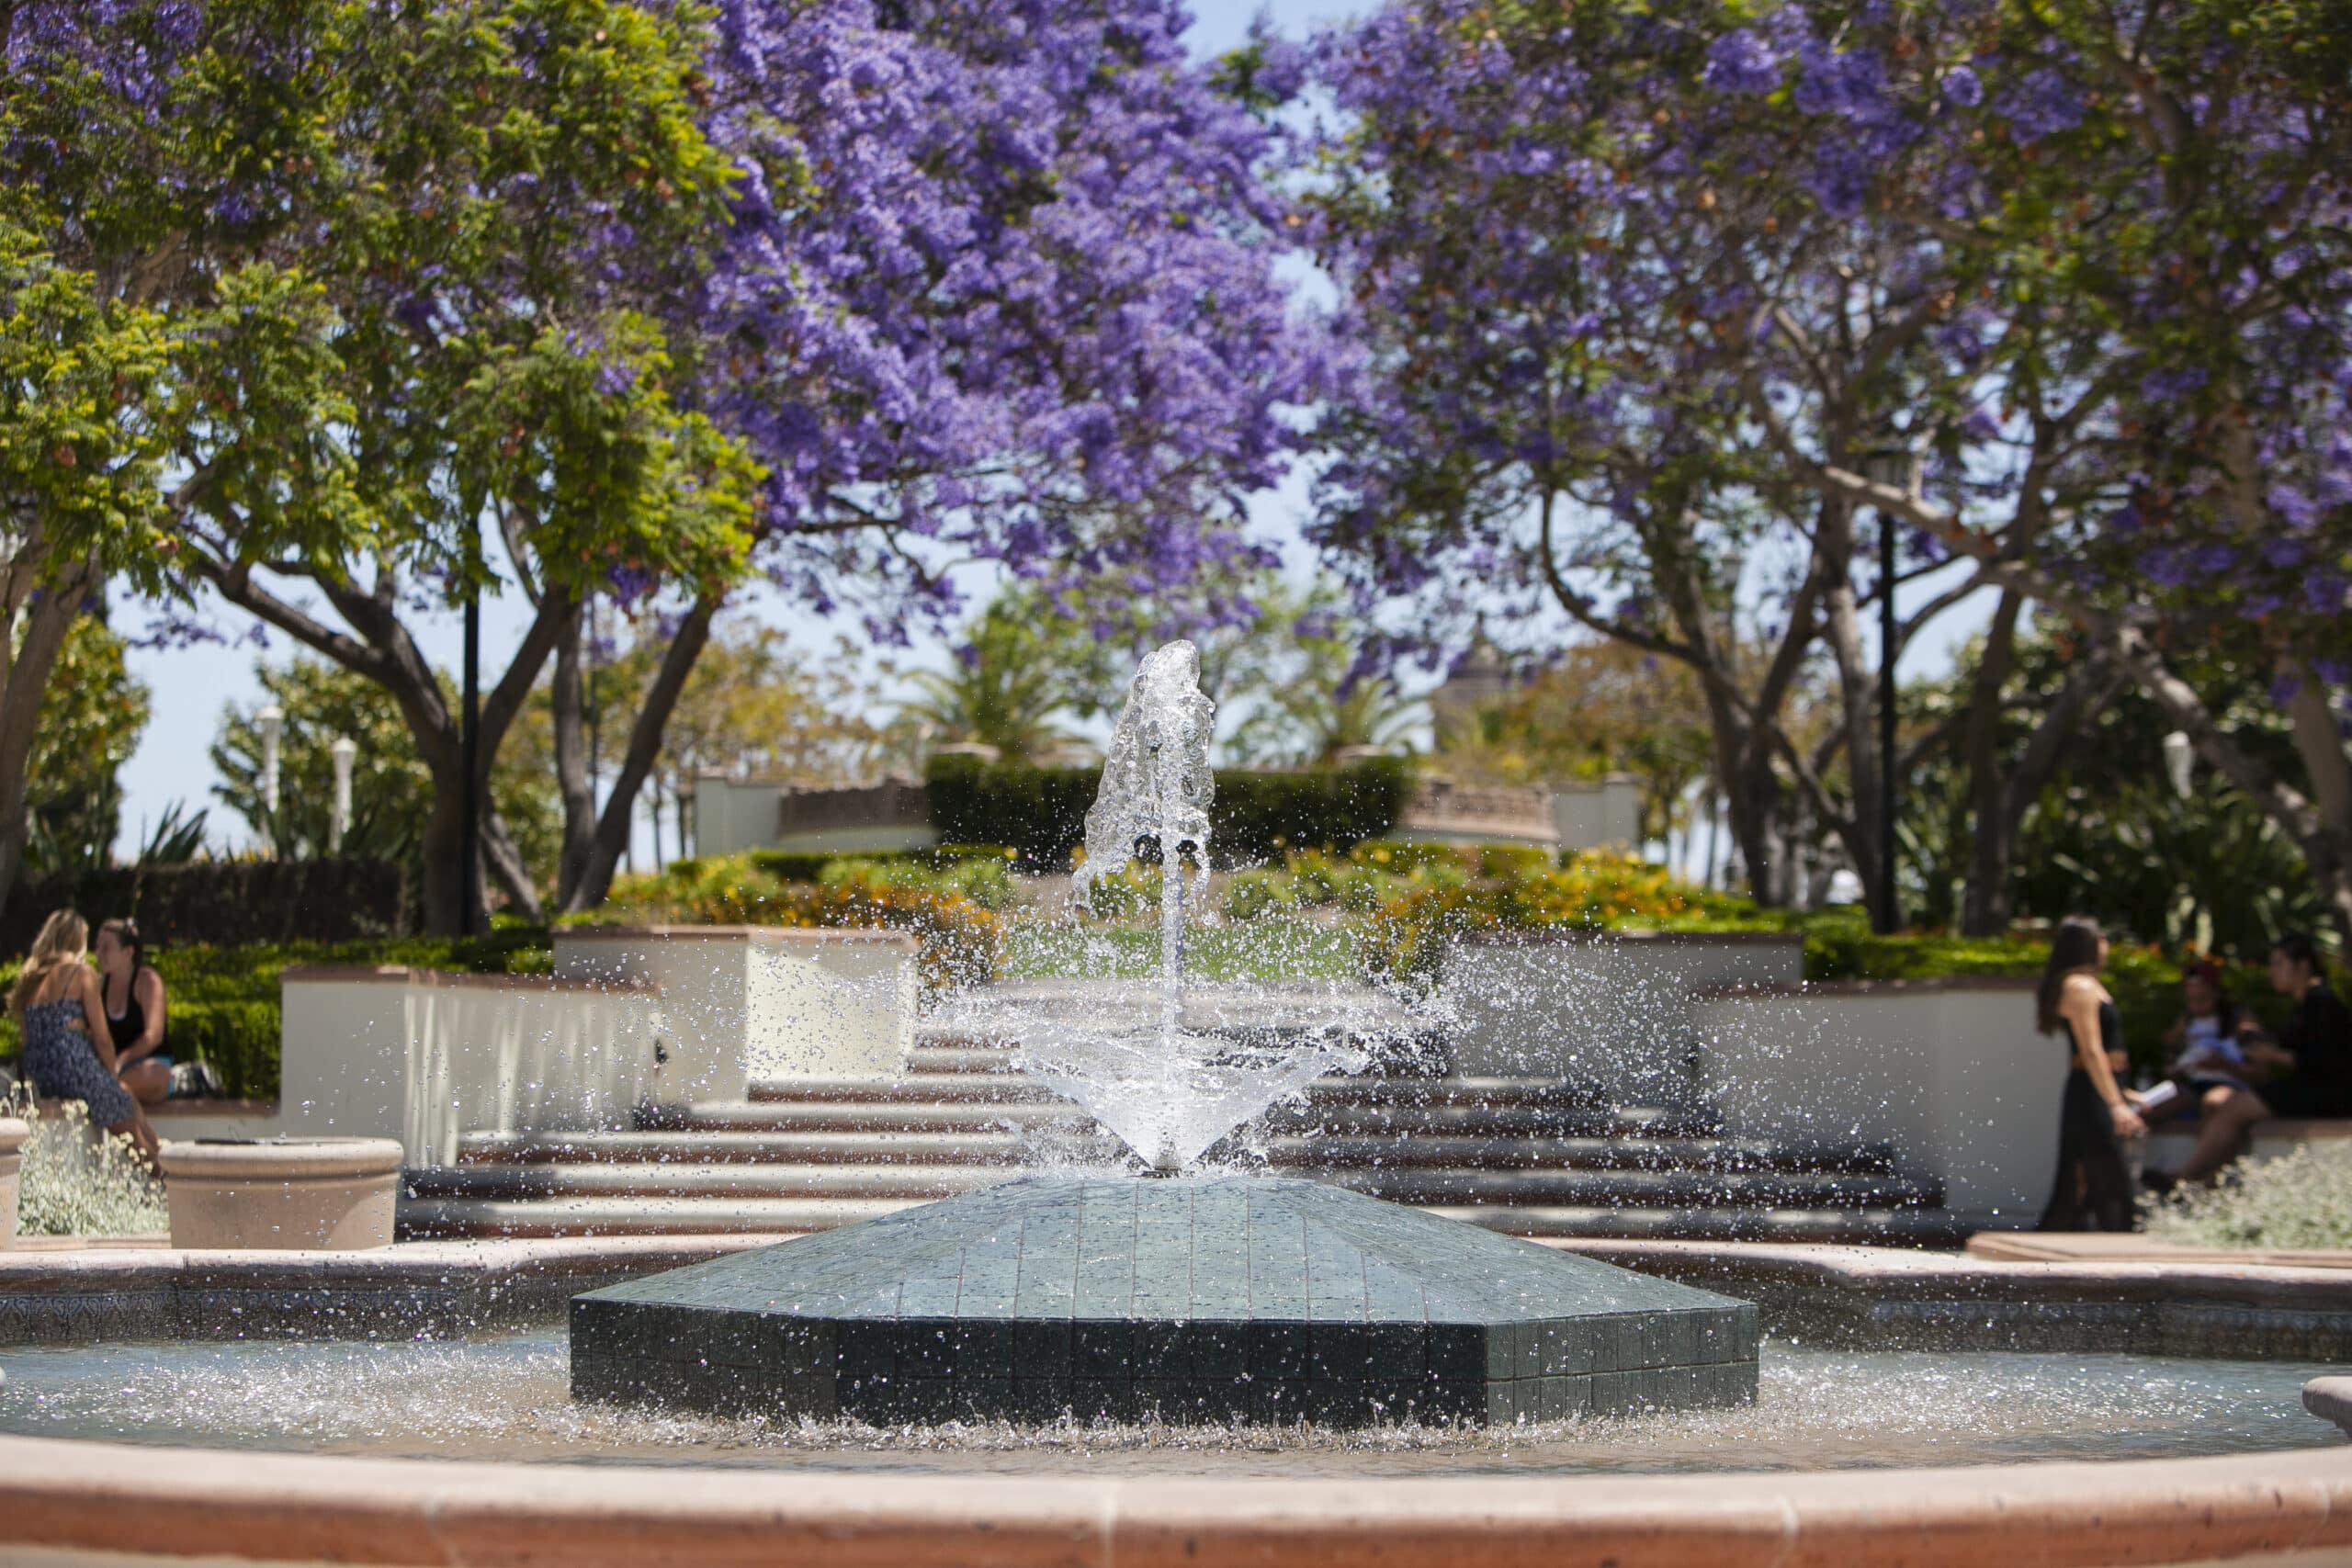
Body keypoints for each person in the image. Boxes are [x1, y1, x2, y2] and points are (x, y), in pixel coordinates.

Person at [2168, 932, 2352, 1185]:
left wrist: (2271, 1055)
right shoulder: (2305, 1003)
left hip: (2326, 1093)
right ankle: (2206, 1183)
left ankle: (2187, 1177)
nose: (2271, 971)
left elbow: (2325, 1060)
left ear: (2303, 965)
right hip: (2308, 1087)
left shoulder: (2321, 1002)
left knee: (2234, 1106)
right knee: (2221, 1105)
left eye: (2278, 964)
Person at [7, 910, 159, 1163]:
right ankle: (168, 1178)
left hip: (40, 1073)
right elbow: (102, 1038)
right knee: (134, 1134)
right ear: (77, 939)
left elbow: (27, 1040)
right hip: (73, 1070)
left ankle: (166, 1160)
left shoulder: (30, 977)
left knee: (126, 1098)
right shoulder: (81, 972)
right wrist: (111, 1075)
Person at [2036, 916, 2143, 1231]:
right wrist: (2115, 1104)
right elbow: (2092, 1050)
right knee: (2101, 1172)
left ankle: (2110, 1238)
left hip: (2100, 1088)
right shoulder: (2078, 986)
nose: (2107, 947)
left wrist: (2123, 1092)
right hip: (2089, 1094)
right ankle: (2116, 1240)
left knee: (2092, 1173)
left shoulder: (2090, 983)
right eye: (2102, 940)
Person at [2137, 961, 2251, 1130]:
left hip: (2229, 1083)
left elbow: (2257, 1065)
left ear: (2216, 992)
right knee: (2148, 1108)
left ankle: (2210, 1154)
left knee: (2213, 1102)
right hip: (2193, 1084)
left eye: (2203, 999)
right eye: (2191, 1000)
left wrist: (2224, 1064)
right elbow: (2172, 1053)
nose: (2197, 1006)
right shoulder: (2186, 1020)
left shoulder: (2238, 1018)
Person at [94, 918, 172, 1106]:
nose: (99, 954)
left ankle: (102, 1091)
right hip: (109, 1070)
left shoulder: (147, 981)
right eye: (97, 947)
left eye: (107, 948)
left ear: (128, 952)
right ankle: (105, 1091)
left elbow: (154, 1035)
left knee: (156, 1077)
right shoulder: (97, 984)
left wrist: (120, 1062)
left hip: (146, 1066)